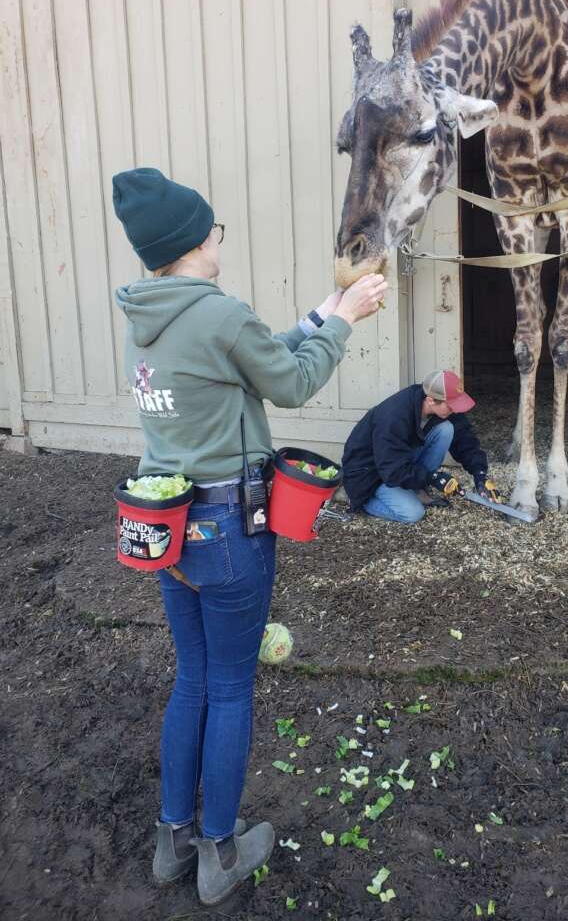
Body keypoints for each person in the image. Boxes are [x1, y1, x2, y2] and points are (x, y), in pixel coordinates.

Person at [112, 167, 386, 906]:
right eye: (214, 228)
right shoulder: (218, 312)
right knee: (232, 689)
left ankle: (174, 840)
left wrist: (323, 312)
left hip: (169, 532)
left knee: (193, 680)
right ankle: (220, 853)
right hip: (230, 531)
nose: (217, 237)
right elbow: (289, 383)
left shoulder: (150, 316)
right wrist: (348, 321)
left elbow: (252, 360)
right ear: (199, 239)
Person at [341, 369, 499, 523]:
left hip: (396, 461)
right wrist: (432, 477)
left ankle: (417, 488)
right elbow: (392, 470)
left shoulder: (440, 405)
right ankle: (363, 501)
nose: (454, 409)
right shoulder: (394, 417)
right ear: (431, 400)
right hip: (370, 474)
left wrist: (479, 473)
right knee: (413, 513)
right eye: (451, 406)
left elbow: (464, 438)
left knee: (446, 428)